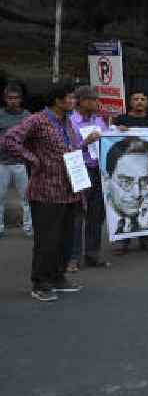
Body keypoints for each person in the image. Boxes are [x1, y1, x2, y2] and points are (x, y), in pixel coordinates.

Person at [4, 82, 101, 302]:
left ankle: (58, 277)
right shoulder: (38, 120)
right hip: (46, 191)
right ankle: (40, 282)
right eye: (70, 98)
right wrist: (33, 160)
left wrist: (85, 144)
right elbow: (9, 139)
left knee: (65, 239)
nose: (74, 101)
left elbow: (72, 151)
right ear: (58, 100)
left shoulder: (67, 123)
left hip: (70, 189)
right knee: (47, 240)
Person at [112, 91, 148, 254]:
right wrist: (117, 130)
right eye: (136, 99)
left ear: (147, 102)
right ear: (130, 102)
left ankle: (147, 240)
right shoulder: (121, 120)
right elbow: (111, 137)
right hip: (127, 163)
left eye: (143, 99)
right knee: (126, 206)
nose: (139, 102)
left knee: (144, 204)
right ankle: (123, 242)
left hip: (143, 166)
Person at [68, 86, 110, 270]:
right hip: (80, 169)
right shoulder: (70, 121)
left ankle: (92, 254)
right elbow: (66, 148)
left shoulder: (99, 120)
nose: (96, 103)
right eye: (93, 100)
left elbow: (108, 139)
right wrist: (84, 143)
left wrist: (116, 131)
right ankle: (72, 258)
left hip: (98, 170)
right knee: (77, 215)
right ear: (82, 101)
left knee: (96, 214)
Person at [0, 84, 32, 239]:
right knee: (0, 198)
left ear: (21, 99)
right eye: (10, 98)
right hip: (2, 163)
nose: (13, 101)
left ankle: (28, 228)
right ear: (5, 99)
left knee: (26, 198)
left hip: (21, 163)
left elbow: (33, 138)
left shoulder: (27, 116)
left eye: (16, 98)